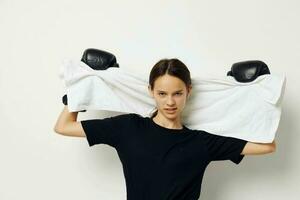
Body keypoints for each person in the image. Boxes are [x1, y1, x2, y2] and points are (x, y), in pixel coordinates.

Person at [54, 58, 276, 200]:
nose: (170, 102)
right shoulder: (127, 127)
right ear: (151, 91)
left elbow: (267, 146)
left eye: (177, 93)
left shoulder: (202, 142)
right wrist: (79, 92)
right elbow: (63, 126)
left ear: (188, 91)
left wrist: (251, 95)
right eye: (162, 94)